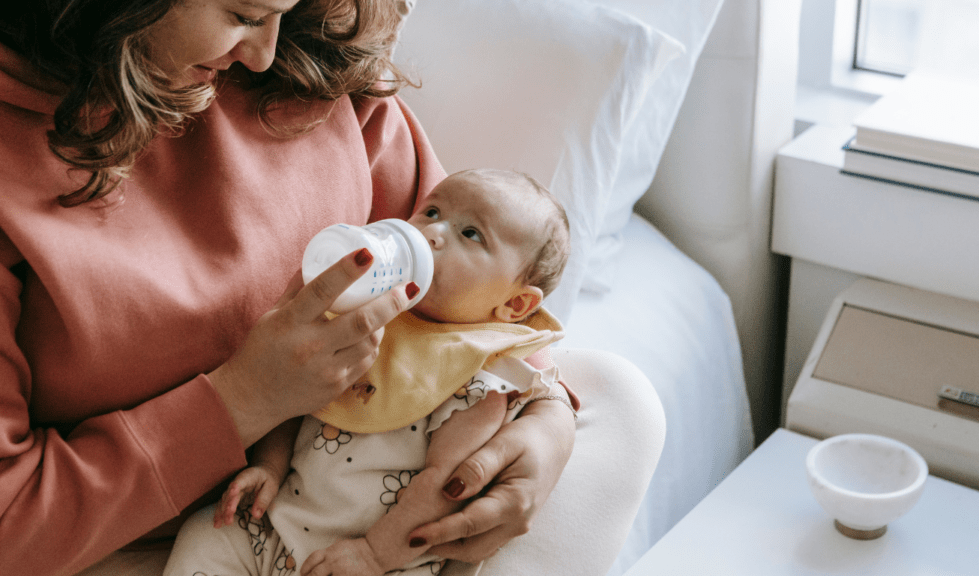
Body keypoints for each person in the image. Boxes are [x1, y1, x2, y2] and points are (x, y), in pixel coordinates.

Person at [0, 2, 579, 574]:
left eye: (288, 8)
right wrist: (246, 400)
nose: (265, 54)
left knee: (627, 402)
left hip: (348, 508)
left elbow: (488, 283)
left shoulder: (319, 57)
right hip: (123, 535)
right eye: (245, 15)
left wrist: (546, 426)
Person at [163, 168, 573, 576]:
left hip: (373, 558)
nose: (434, 232)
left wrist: (375, 555)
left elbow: (445, 483)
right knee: (206, 535)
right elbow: (293, 394)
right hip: (275, 526)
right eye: (431, 212)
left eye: (471, 234)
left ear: (515, 306)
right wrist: (270, 465)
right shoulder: (363, 313)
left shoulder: (477, 375)